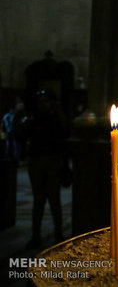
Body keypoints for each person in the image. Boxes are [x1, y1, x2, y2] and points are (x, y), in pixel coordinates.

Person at [24, 90, 68, 248]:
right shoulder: (33, 118)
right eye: (40, 102)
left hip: (52, 160)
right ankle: (36, 235)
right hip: (36, 160)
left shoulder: (56, 118)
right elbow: (23, 134)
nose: (42, 105)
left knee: (54, 199)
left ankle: (58, 234)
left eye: (45, 101)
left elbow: (63, 134)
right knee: (39, 199)